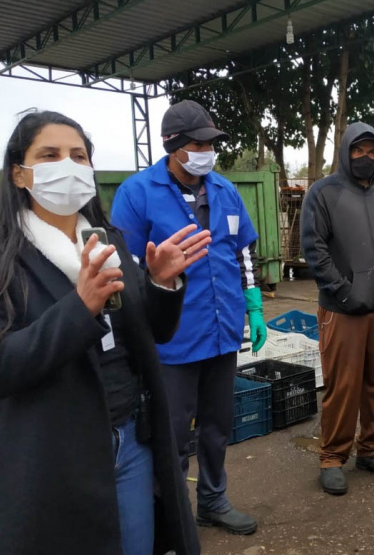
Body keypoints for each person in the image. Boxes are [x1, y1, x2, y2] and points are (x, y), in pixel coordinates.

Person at [0, 110, 209, 555]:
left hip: (129, 440)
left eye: (79, 155)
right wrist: (80, 307)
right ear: (19, 173)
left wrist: (162, 284)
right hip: (54, 457)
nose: (68, 165)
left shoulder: (108, 239)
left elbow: (152, 336)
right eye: (49, 155)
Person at [111, 100, 264, 535]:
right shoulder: (137, 193)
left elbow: (243, 249)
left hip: (222, 331)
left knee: (217, 427)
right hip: (172, 340)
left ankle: (213, 500)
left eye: (210, 144)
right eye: (198, 144)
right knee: (172, 435)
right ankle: (171, 515)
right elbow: (126, 266)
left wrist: (253, 302)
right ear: (174, 146)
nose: (206, 152)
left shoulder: (224, 191)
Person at [300, 122, 374, 495]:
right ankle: (332, 457)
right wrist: (342, 291)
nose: (366, 158)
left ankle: (371, 449)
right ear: (346, 153)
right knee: (342, 386)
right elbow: (314, 248)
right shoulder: (323, 193)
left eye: (372, 152)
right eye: (358, 151)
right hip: (342, 310)